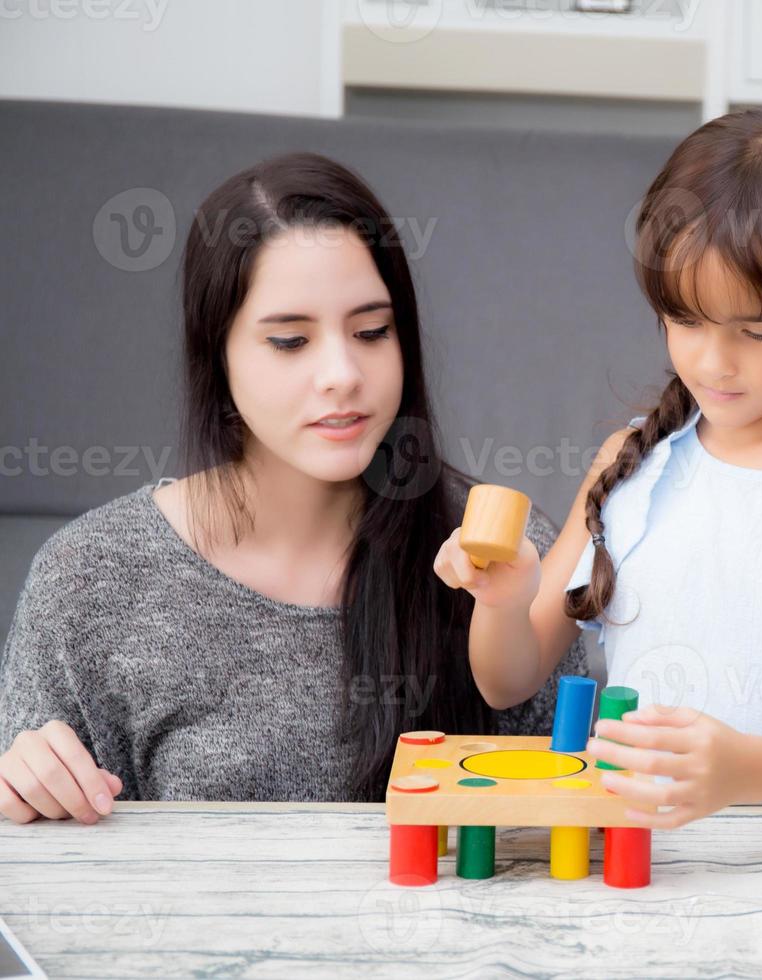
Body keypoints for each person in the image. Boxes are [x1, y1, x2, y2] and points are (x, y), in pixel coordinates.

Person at [0, 152, 585, 824]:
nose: (341, 373)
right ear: (216, 356)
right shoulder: (90, 582)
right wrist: (24, 796)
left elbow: (578, 827)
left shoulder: (508, 561)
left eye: (372, 332)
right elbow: (41, 872)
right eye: (288, 341)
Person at [434, 108, 762, 827]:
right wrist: (501, 601)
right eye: (685, 321)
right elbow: (507, 681)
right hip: (652, 854)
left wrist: (739, 770)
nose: (712, 362)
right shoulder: (630, 465)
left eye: (756, 331)